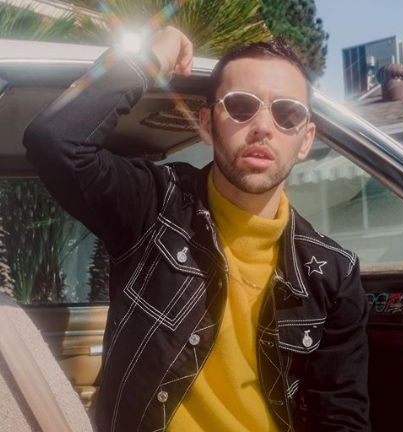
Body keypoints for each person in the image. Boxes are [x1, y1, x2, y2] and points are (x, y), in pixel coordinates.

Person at [23, 26, 370, 432]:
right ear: (206, 124)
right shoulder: (155, 204)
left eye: (287, 113)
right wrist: (148, 55)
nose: (263, 126)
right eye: (241, 106)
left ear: (305, 139)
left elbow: (341, 417)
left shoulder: (333, 273)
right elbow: (54, 142)